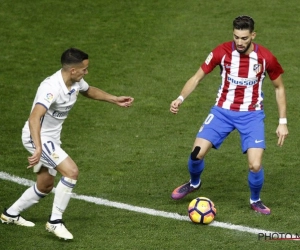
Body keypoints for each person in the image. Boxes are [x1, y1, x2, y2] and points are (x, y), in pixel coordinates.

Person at [0, 48, 134, 239]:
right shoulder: (51, 88)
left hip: (52, 139)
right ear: (73, 70)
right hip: (37, 137)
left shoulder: (74, 81)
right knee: (71, 172)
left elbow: (88, 91)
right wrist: (38, 148)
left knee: (45, 185)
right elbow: (34, 118)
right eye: (84, 69)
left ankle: (10, 214)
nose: (86, 72)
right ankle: (55, 222)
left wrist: (114, 99)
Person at [170, 16, 288, 215]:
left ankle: (255, 200)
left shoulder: (266, 58)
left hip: (252, 115)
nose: (239, 42)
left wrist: (282, 122)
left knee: (255, 165)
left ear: (253, 35)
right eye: (236, 37)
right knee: (196, 153)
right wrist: (180, 98)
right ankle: (194, 183)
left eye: (244, 38)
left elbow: (279, 88)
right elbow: (197, 77)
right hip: (222, 112)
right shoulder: (221, 52)